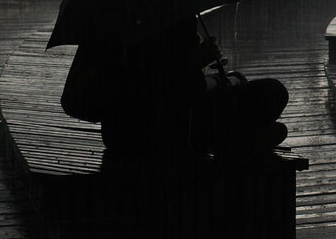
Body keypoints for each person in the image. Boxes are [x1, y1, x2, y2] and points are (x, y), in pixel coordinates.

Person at [61, 18, 288, 162]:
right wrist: (205, 67)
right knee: (273, 92)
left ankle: (234, 136)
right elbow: (181, 90)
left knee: (242, 86)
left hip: (118, 136)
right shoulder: (170, 16)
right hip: (175, 131)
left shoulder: (112, 15)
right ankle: (230, 139)